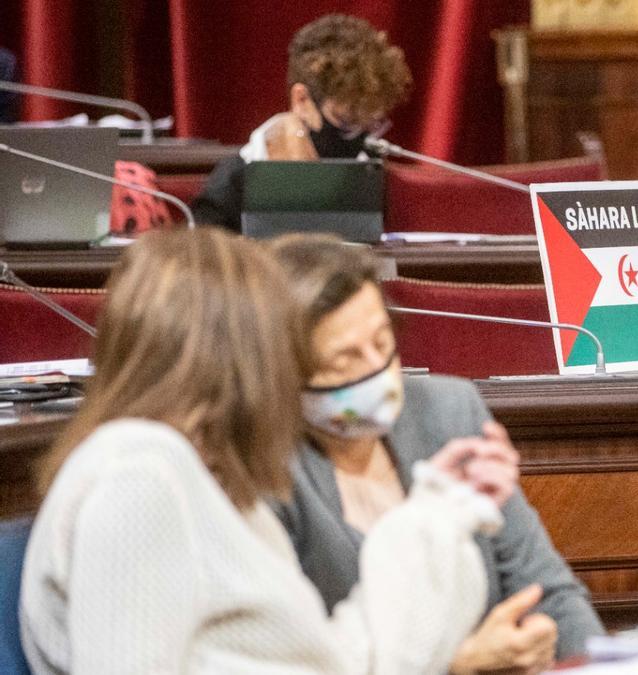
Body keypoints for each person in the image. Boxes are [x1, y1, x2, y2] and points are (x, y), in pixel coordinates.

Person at [20, 228, 515, 674]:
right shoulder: (140, 475)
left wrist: (435, 514)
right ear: (245, 359)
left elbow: (342, 661)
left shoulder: (213, 480)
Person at [270, 234, 605, 673]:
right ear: (282, 372)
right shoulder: (264, 469)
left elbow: (551, 592)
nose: (376, 368)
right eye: (343, 361)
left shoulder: (448, 413)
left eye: (382, 341)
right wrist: (455, 666)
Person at [192, 14, 410, 230]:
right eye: (347, 120)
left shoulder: (372, 176)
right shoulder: (232, 183)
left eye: (372, 123)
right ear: (302, 100)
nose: (360, 137)